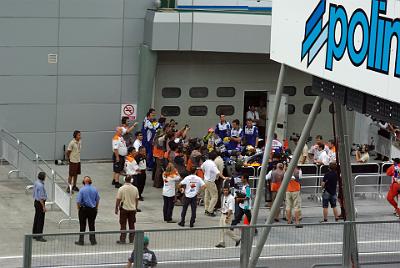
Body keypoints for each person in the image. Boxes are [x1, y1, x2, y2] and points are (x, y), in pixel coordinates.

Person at [75, 176, 100, 246]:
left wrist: (78, 208)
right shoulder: (94, 189)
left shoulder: (82, 190)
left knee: (82, 225)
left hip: (84, 209)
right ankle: (93, 240)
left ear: (84, 182)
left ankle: (81, 240)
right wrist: (96, 208)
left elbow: (78, 201)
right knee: (92, 225)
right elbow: (97, 199)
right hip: (92, 209)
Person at [201, 151, 227, 217]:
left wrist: (205, 173)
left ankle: (206, 209)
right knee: (215, 196)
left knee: (207, 195)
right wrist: (224, 177)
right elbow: (218, 173)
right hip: (210, 181)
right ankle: (210, 210)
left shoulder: (206, 162)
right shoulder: (213, 164)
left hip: (205, 180)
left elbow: (202, 168)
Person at [115, 176, 139, 244]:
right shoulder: (135, 188)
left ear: (125, 180)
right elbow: (137, 199)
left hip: (124, 209)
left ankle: (123, 239)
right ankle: (131, 239)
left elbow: (118, 199)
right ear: (131, 180)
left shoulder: (121, 188)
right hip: (132, 209)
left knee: (123, 225)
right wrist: (136, 208)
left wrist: (116, 208)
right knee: (132, 225)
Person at [32, 172, 47, 242]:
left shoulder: (36, 182)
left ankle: (34, 234)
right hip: (40, 203)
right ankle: (39, 236)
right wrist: (43, 207)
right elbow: (41, 198)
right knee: (40, 220)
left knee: (36, 218)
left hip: (36, 201)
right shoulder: (40, 185)